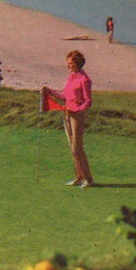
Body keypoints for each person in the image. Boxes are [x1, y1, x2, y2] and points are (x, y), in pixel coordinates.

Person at [42, 51, 94, 188]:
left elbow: (88, 102)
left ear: (77, 64)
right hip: (67, 113)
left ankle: (88, 179)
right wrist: (50, 91)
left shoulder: (84, 80)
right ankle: (79, 176)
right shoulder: (71, 77)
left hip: (77, 115)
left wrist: (76, 110)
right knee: (72, 146)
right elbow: (64, 95)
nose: (68, 66)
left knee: (77, 146)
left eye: (70, 64)